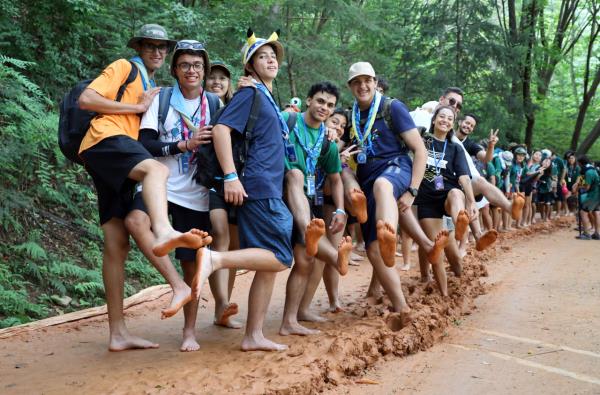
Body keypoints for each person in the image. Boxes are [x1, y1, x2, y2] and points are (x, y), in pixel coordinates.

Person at [77, 24, 210, 351]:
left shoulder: (152, 85)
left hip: (116, 156)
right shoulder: (125, 67)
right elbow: (87, 99)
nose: (156, 51)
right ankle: (164, 232)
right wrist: (135, 108)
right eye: (149, 46)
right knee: (155, 172)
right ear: (138, 47)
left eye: (161, 46)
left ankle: (118, 333)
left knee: (116, 243)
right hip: (108, 140)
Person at [125, 40, 240, 352]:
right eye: (185, 65)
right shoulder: (161, 99)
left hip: (197, 191)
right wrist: (182, 145)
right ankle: (175, 285)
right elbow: (144, 144)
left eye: (197, 66)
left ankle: (189, 331)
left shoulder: (215, 105)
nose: (192, 70)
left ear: (204, 71)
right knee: (135, 221)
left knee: (193, 264)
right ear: (175, 69)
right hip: (159, 183)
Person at [192, 29, 295, 351]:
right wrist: (231, 176)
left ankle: (253, 335)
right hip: (258, 185)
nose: (270, 60)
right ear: (250, 66)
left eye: (273, 55)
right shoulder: (249, 94)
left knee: (267, 265)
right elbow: (221, 129)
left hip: (268, 185)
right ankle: (214, 259)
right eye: (262, 56)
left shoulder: (264, 95)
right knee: (279, 256)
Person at [344, 62, 448, 317]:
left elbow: (420, 150)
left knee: (383, 186)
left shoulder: (392, 107)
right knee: (372, 251)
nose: (363, 86)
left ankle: (388, 234)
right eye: (357, 82)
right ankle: (401, 307)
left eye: (367, 80)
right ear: (350, 87)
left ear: (375, 81)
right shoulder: (351, 116)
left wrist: (412, 190)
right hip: (366, 180)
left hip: (395, 167)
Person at [279, 82, 352, 336]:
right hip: (277, 188)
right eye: (320, 101)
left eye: (330, 105)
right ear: (308, 100)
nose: (324, 107)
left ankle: (290, 320)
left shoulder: (327, 141)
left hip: (305, 200)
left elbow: (335, 178)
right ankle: (333, 256)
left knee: (305, 259)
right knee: (296, 174)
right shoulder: (287, 119)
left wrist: (341, 210)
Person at [415, 105, 476, 296]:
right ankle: (444, 295)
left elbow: (464, 177)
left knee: (457, 193)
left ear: (452, 125)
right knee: (439, 251)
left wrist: (472, 201)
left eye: (450, 119)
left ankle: (459, 223)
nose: (445, 121)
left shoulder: (455, 148)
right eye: (442, 116)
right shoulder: (422, 140)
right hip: (427, 200)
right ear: (434, 119)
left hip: (447, 198)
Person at [574, 155, 600, 240]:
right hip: (597, 193)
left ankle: (586, 233)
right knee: (596, 212)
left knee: (583, 212)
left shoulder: (588, 172)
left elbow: (587, 187)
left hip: (594, 194)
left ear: (580, 163)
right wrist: (578, 183)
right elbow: (581, 177)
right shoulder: (592, 168)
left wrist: (578, 186)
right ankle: (597, 233)